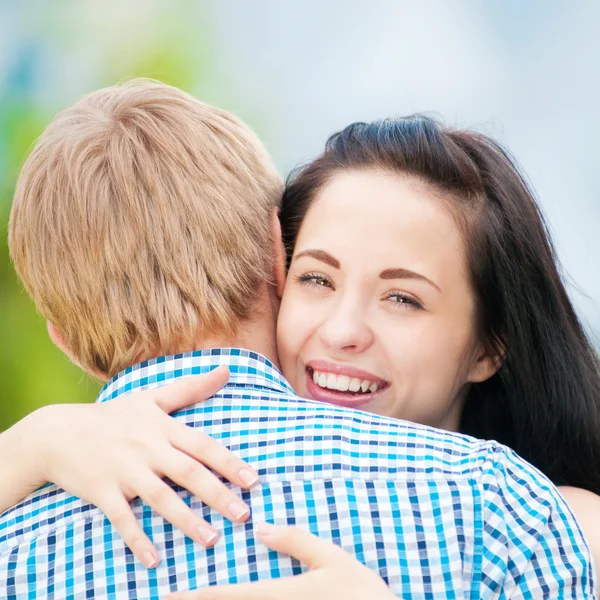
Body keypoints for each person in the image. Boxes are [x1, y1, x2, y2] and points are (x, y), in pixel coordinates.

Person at [1, 80, 596, 598]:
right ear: (277, 260)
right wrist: (34, 442)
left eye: (402, 298)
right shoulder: (503, 509)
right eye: (318, 278)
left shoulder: (544, 518)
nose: (341, 332)